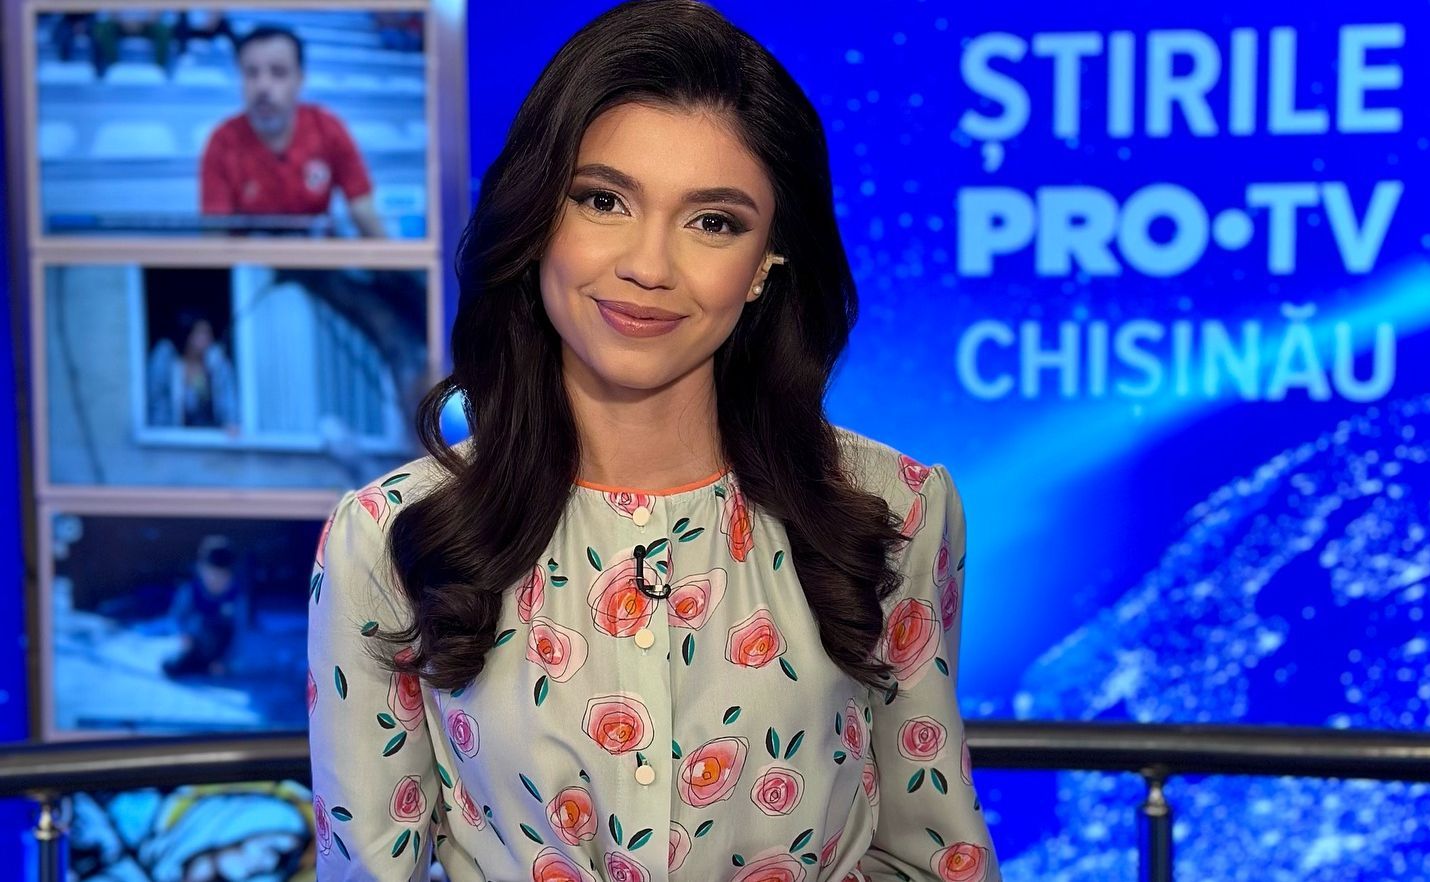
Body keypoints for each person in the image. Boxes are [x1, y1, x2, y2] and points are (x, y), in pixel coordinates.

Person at [307, 1, 1000, 880]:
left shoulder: (892, 510)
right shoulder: (391, 536)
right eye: (603, 200)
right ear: (536, 217)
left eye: (713, 221)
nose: (648, 266)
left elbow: (936, 855)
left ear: (766, 264)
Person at [199, 25, 386, 237]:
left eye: (278, 72)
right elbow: (214, 238)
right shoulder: (221, 141)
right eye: (251, 73)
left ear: (300, 80)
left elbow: (364, 212)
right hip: (248, 257)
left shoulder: (328, 128)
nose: (263, 86)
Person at [164, 536, 244, 677]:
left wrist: (225, 659)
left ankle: (215, 665)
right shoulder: (190, 591)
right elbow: (176, 617)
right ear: (201, 570)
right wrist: (183, 635)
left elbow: (239, 630)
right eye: (211, 574)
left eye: (222, 576)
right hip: (195, 642)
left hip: (220, 647)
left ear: (231, 576)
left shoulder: (235, 597)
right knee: (173, 665)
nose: (216, 581)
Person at [146, 314, 240, 432]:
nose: (206, 338)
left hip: (206, 435)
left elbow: (225, 400)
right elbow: (158, 400)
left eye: (208, 333)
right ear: (188, 335)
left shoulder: (216, 366)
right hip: (175, 437)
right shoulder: (169, 363)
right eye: (201, 333)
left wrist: (230, 421)